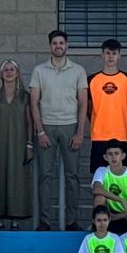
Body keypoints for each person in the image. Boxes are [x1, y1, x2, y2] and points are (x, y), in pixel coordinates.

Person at [29, 31, 89, 231]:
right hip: (46, 127)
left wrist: (80, 132)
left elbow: (83, 103)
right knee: (45, 176)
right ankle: (45, 221)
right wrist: (40, 132)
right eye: (54, 43)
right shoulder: (39, 70)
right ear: (50, 46)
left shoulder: (78, 70)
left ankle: (72, 221)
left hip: (70, 126)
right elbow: (34, 103)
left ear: (67, 45)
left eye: (61, 43)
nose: (58, 46)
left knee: (72, 176)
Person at [0, 58, 34, 229]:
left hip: (18, 143)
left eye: (12, 69)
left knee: (17, 179)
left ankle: (15, 219)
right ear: (1, 73)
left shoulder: (25, 96)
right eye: (6, 69)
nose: (9, 72)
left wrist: (29, 145)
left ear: (18, 73)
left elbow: (30, 122)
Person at [87, 39, 127, 170]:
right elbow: (88, 108)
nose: (111, 56)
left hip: (121, 136)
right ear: (102, 55)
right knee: (98, 177)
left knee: (121, 177)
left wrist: (122, 119)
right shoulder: (91, 80)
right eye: (107, 53)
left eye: (114, 53)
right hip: (99, 136)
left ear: (119, 55)